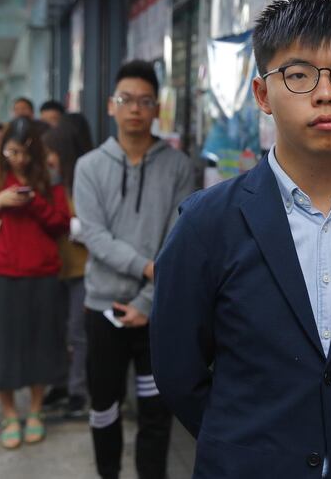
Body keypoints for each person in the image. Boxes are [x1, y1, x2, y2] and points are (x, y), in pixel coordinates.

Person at [151, 0, 331, 478]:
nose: (326, 94)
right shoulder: (207, 223)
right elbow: (178, 370)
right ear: (263, 95)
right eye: (299, 75)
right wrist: (242, 442)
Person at [74, 60, 195, 479]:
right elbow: (95, 236)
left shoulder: (178, 166)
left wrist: (148, 298)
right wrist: (147, 269)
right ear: (111, 106)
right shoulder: (89, 167)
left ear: (156, 108)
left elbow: (178, 239)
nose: (135, 109)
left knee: (155, 411)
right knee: (104, 408)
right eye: (126, 100)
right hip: (102, 308)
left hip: (156, 314)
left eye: (145, 101)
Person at [0, 117, 70, 450]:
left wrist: (35, 202)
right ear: (2, 148)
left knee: (41, 344)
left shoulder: (49, 180)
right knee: (2, 349)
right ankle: (10, 414)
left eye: (26, 152)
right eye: (13, 151)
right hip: (2, 274)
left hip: (42, 275)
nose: (20, 159)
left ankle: (36, 411)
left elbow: (61, 226)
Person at [41, 118, 92, 417]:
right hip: (54, 269)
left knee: (77, 333)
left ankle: (78, 391)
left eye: (53, 152)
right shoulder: (52, 183)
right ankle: (59, 384)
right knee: (57, 331)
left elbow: (93, 227)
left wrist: (66, 225)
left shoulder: (85, 182)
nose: (49, 159)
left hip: (83, 271)